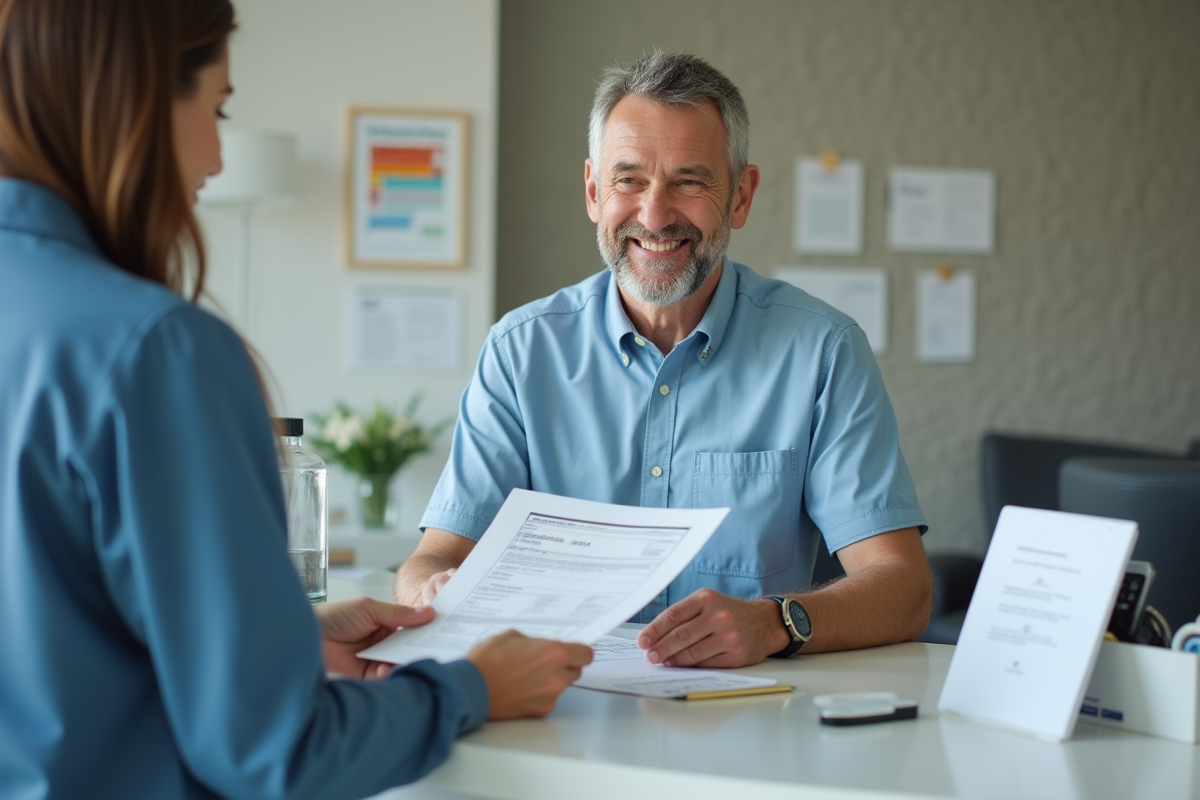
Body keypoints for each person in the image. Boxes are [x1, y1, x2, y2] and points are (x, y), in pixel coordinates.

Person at [0, 1, 591, 798]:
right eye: (219, 110)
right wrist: (474, 687)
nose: (217, 157)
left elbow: (55, 639)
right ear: (136, 102)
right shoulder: (156, 351)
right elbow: (278, 752)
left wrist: (284, 640)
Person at [396, 51, 933, 669]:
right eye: (629, 180)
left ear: (740, 196)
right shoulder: (520, 352)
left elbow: (904, 589)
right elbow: (435, 559)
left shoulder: (823, 352)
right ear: (594, 192)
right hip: (561, 702)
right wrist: (432, 593)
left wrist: (773, 622)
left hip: (751, 711)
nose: (655, 216)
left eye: (689, 181)